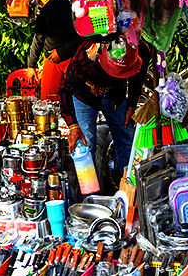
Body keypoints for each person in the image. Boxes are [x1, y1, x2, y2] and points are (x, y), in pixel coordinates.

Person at [58, 36, 148, 178]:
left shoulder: (140, 49)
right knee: (86, 145)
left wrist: (131, 105)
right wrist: (73, 126)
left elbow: (138, 79)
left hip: (116, 96)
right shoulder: (88, 55)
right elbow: (65, 89)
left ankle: (129, 189)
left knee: (126, 139)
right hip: (85, 96)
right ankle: (91, 196)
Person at [26, 0, 81, 100]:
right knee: (48, 103)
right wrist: (31, 66)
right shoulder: (46, 3)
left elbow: (84, 34)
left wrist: (62, 52)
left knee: (75, 102)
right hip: (51, 60)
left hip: (73, 58)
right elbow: (39, 35)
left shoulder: (79, 1)